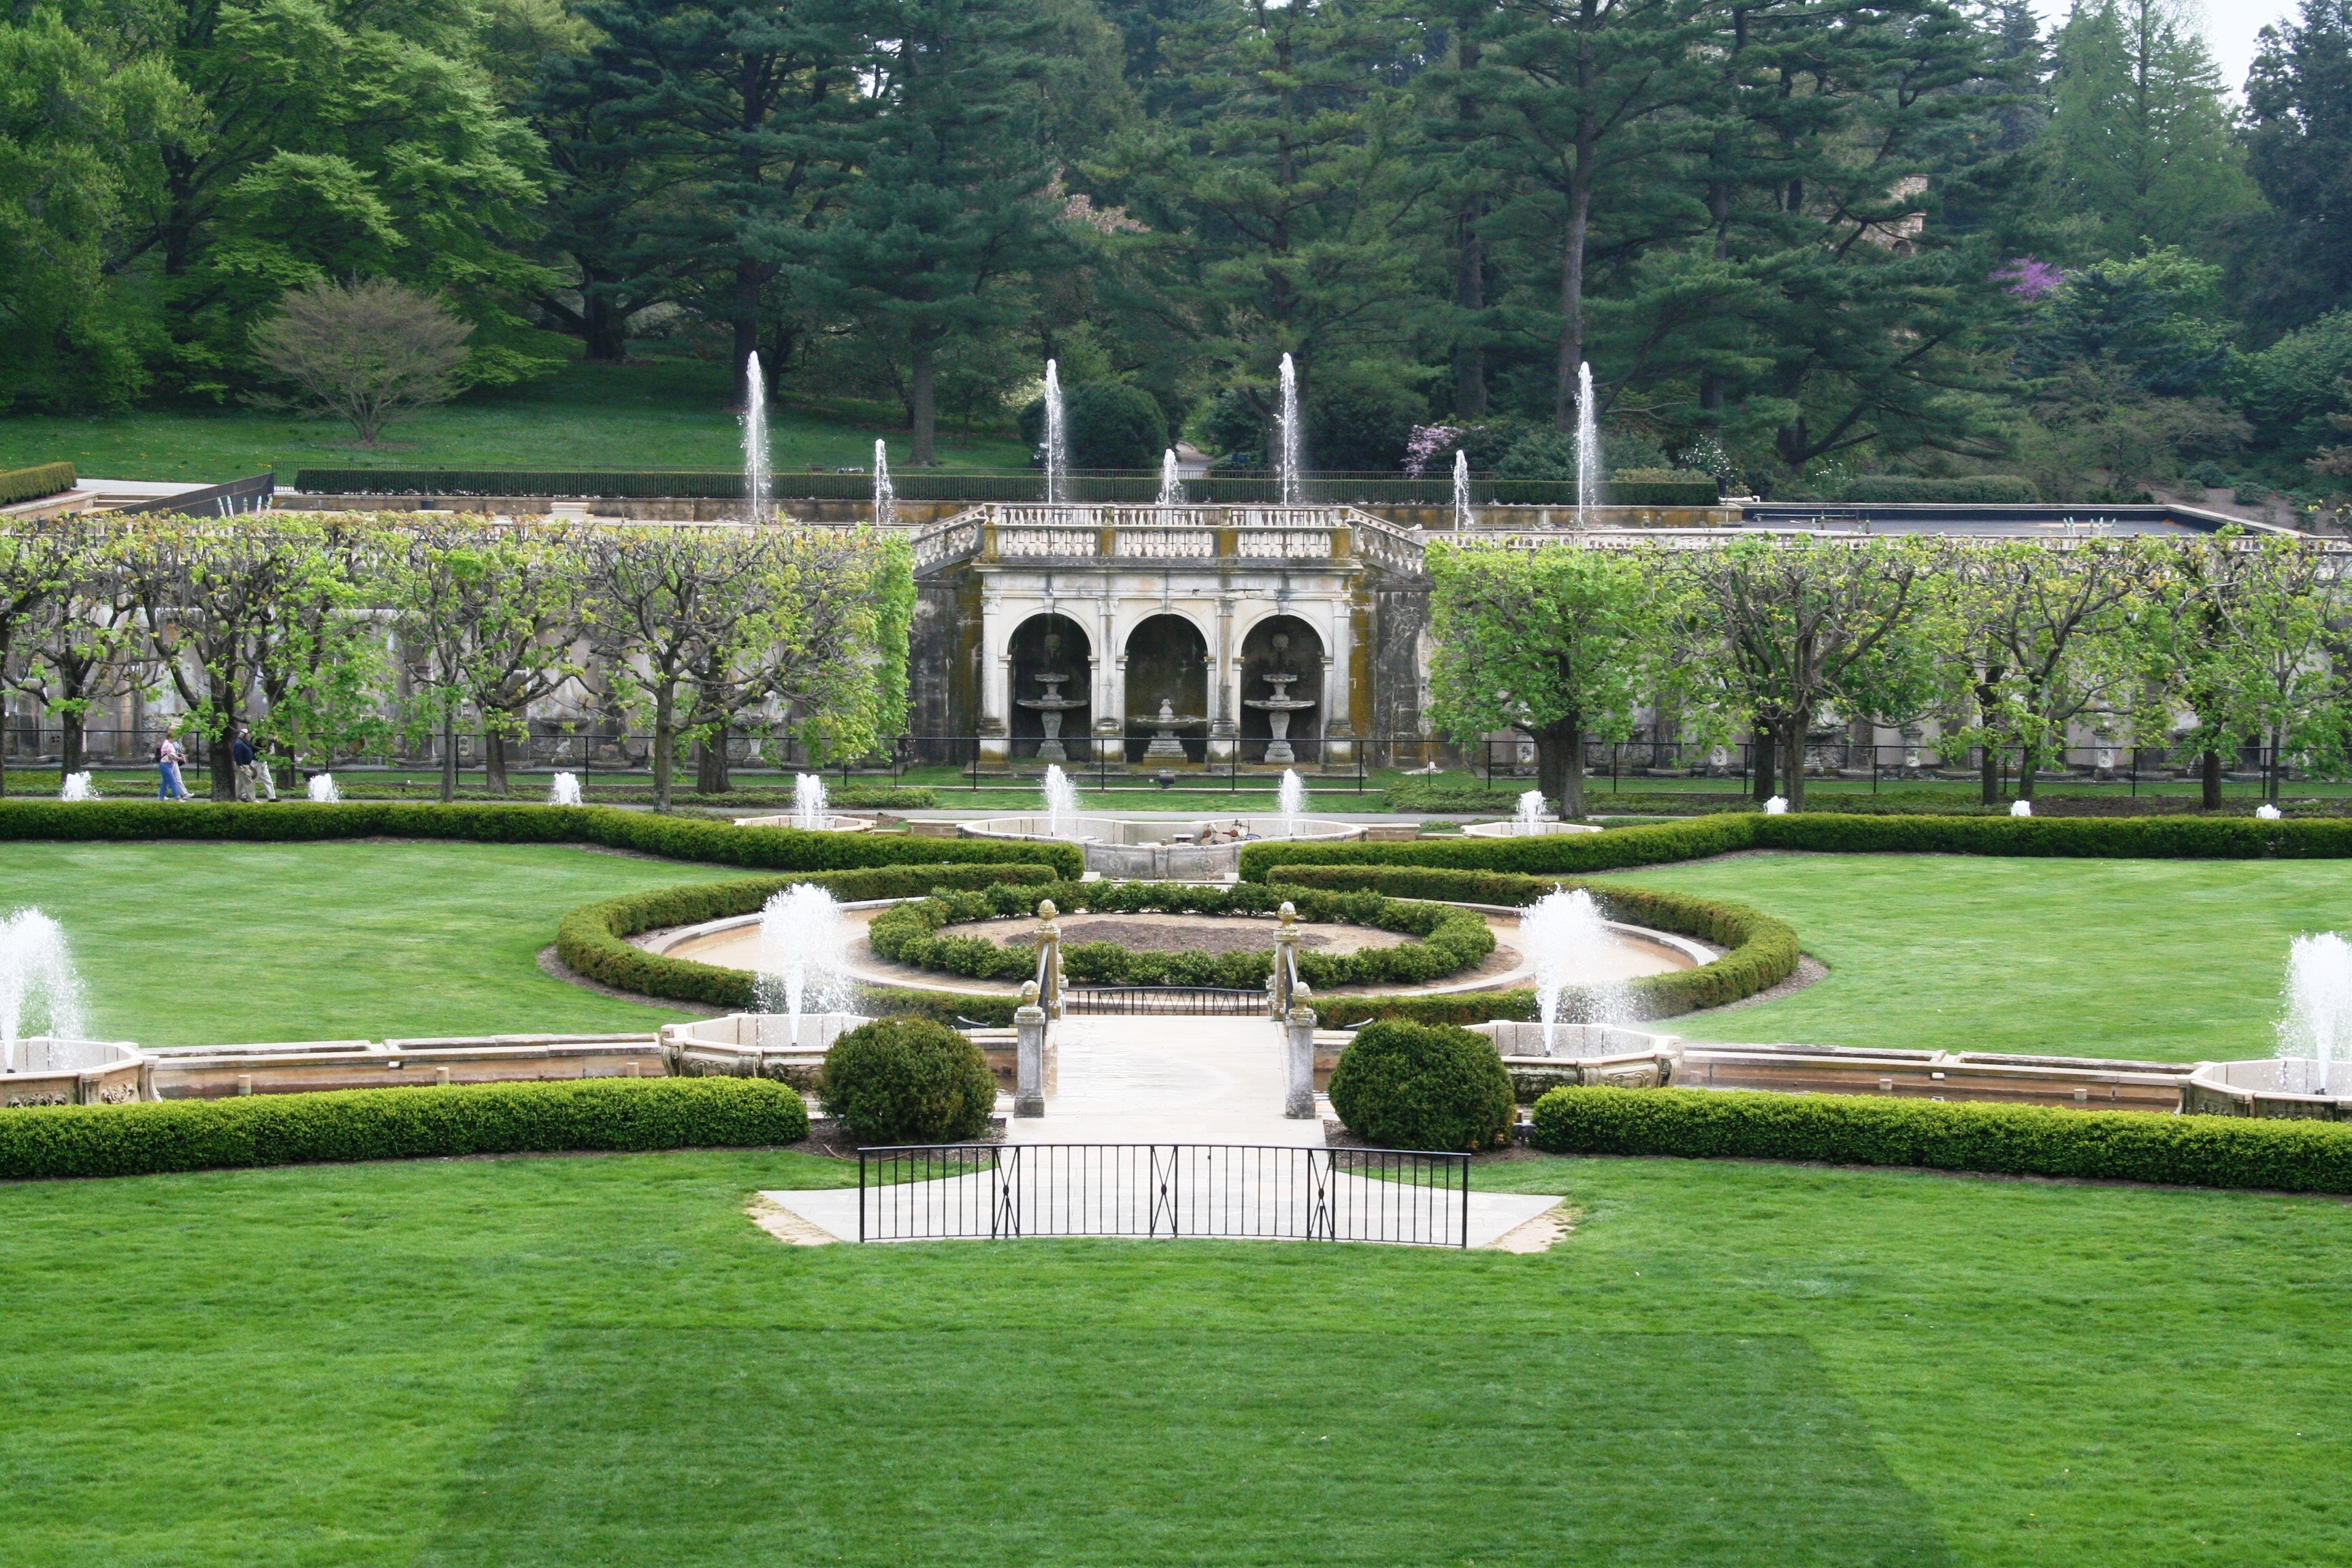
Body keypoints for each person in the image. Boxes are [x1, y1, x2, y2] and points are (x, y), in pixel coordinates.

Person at [155, 730, 190, 801]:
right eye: (174, 738)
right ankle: (178, 798)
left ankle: (161, 797)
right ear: (171, 737)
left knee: (165, 782)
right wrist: (181, 759)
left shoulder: (166, 743)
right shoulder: (169, 745)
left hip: (166, 764)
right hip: (166, 765)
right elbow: (172, 756)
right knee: (172, 781)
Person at [230, 728, 257, 802]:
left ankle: (236, 797)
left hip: (245, 765)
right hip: (243, 766)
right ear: (244, 735)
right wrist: (240, 766)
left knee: (239, 783)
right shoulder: (239, 744)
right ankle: (253, 799)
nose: (249, 735)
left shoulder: (243, 742)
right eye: (247, 734)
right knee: (249, 783)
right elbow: (237, 756)